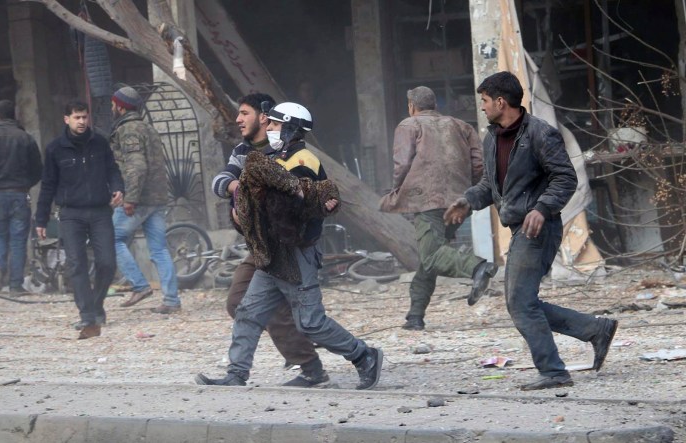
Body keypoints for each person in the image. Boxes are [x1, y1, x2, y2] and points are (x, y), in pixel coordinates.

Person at [443, 71, 618, 390]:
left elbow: (565, 178)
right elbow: (490, 186)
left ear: (500, 101)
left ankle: (553, 372)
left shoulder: (540, 134)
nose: (481, 107)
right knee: (522, 301)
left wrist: (542, 208)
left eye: (484, 101)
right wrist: (467, 201)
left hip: (540, 228)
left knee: (520, 302)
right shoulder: (492, 137)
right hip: (519, 227)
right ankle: (595, 329)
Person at [196, 102, 383, 390]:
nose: (268, 129)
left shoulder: (303, 161)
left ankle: (364, 356)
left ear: (291, 128)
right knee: (248, 312)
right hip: (271, 253)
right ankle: (236, 374)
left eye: (273, 124)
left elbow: (289, 207)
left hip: (296, 254)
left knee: (310, 323)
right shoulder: (273, 157)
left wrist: (248, 205)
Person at [211, 93, 329, 387]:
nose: (238, 119)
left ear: (265, 117)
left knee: (305, 318)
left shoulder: (293, 155)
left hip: (289, 245)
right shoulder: (243, 150)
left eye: (244, 113)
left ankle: (332, 362)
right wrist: (240, 192)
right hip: (262, 244)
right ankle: (240, 373)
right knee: (240, 302)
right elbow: (221, 181)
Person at [379, 86, 498, 331]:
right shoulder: (462, 126)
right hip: (459, 202)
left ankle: (477, 267)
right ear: (434, 105)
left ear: (412, 106)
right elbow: (478, 164)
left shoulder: (409, 125)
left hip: (427, 199)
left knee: (431, 256)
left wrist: (397, 190)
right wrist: (467, 192)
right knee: (430, 255)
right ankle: (415, 316)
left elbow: (401, 164)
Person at [35, 101, 124, 340]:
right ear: (67, 119)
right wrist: (41, 220)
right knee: (76, 264)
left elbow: (113, 169)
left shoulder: (100, 142)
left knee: (107, 262)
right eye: (77, 117)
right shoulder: (55, 149)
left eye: (84, 117)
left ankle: (96, 304)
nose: (82, 121)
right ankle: (87, 314)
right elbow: (48, 185)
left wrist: (117, 187)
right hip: (71, 213)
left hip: (99, 211)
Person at [108, 86, 181, 314]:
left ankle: (139, 286)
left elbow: (137, 167)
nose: (112, 108)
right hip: (158, 197)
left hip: (140, 198)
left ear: (120, 106)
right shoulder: (148, 128)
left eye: (113, 104)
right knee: (159, 249)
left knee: (112, 239)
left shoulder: (128, 130)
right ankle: (171, 300)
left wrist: (130, 198)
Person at [0, 99, 43, 293]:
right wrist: (25, 184)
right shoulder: (25, 138)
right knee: (18, 239)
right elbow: (38, 169)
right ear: (14, 115)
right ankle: (15, 283)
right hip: (20, 194)